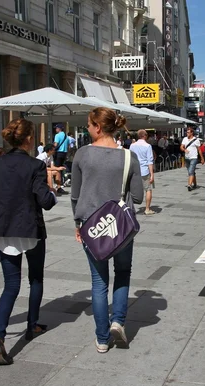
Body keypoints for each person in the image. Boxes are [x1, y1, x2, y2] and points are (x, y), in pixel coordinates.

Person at [0, 119, 56, 366]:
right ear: (27, 139)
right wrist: (53, 193)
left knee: (10, 285)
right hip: (30, 229)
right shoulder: (36, 165)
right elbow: (45, 200)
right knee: (35, 279)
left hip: (3, 229)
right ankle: (32, 325)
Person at [71, 107, 143, 353]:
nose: (87, 128)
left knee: (98, 281)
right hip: (121, 228)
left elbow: (75, 195)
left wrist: (77, 222)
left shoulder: (82, 154)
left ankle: (102, 339)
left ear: (98, 127)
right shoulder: (128, 156)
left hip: (92, 226)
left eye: (88, 125)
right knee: (123, 272)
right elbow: (139, 196)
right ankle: (118, 321)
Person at [130, 129, 155, 215]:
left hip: (134, 170)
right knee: (148, 189)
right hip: (144, 170)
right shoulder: (148, 146)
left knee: (131, 190)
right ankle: (147, 209)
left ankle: (130, 208)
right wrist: (152, 174)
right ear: (144, 136)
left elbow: (130, 158)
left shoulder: (132, 146)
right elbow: (150, 161)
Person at [181, 127, 205, 191]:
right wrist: (184, 149)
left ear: (192, 133)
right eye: (187, 132)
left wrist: (202, 159)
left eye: (188, 132)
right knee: (191, 172)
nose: (187, 133)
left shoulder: (196, 140)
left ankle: (189, 185)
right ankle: (195, 184)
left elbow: (199, 150)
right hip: (187, 158)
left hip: (194, 157)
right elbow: (181, 147)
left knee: (190, 171)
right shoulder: (185, 139)